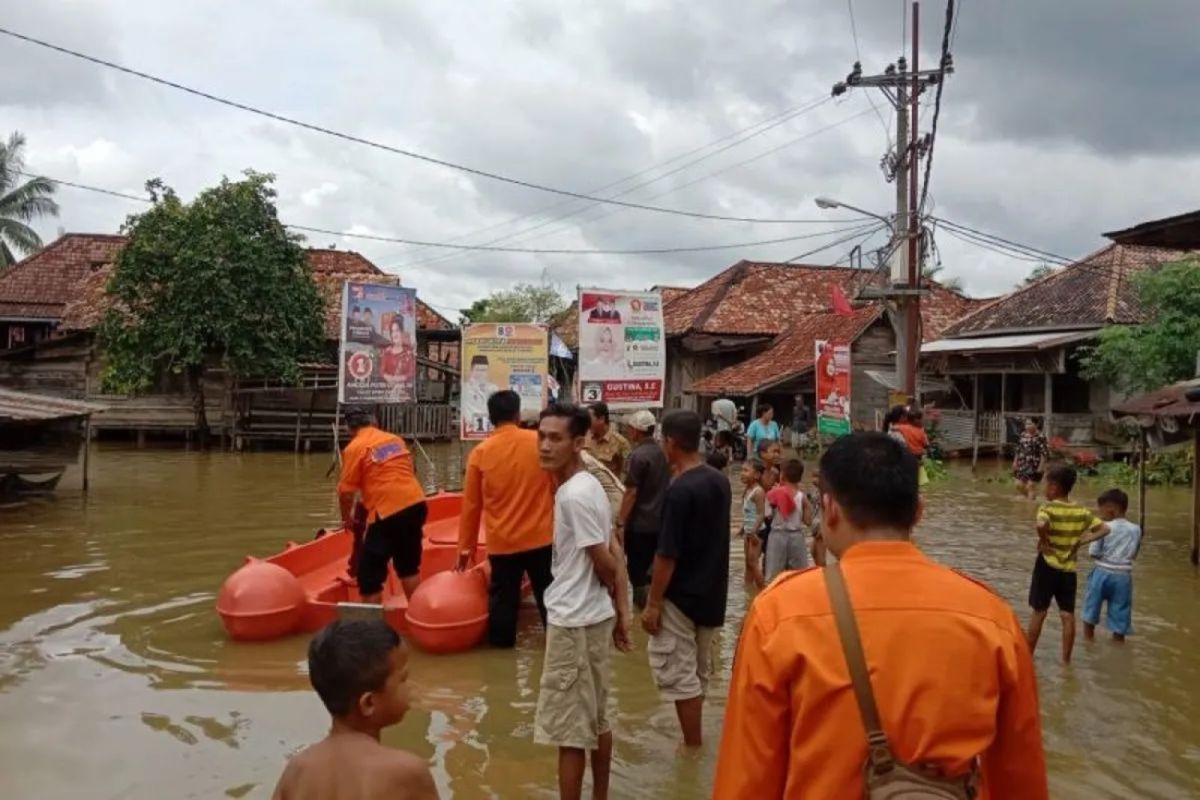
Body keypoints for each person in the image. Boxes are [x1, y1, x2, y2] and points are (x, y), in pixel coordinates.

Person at [713, 432, 1049, 798]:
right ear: (918, 512)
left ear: (831, 509)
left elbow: (747, 777)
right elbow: (1021, 780)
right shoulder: (992, 618)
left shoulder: (779, 613)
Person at [533, 403, 632, 800]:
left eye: (555, 438)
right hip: (591, 617)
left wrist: (617, 596)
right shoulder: (588, 483)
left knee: (571, 733)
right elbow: (614, 549)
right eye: (541, 436)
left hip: (574, 620)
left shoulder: (573, 495)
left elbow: (606, 560)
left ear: (577, 443)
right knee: (597, 720)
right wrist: (621, 610)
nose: (544, 446)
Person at [641, 410, 731, 748]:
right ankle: (694, 741)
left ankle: (691, 746)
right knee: (698, 671)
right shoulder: (719, 480)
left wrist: (653, 603)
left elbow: (667, 553)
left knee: (680, 675)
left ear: (671, 443)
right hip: (711, 592)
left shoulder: (680, 490)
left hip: (680, 594)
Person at [271, 619, 438, 800]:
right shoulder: (407, 772)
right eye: (403, 679)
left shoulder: (297, 771)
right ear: (368, 703)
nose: (412, 687)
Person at [456, 391, 555, 648]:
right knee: (550, 597)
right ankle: (558, 646)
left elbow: (471, 506)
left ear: (490, 418)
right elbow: (557, 488)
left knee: (503, 603)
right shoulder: (540, 443)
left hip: (502, 543)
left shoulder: (480, 453)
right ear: (518, 414)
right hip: (542, 538)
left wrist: (465, 549)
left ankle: (501, 656)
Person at [338, 407, 427, 603]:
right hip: (416, 503)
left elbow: (346, 493)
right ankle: (418, 615)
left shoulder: (355, 447)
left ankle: (372, 630)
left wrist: (347, 519)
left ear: (348, 429)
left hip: (388, 512)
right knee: (409, 567)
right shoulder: (394, 439)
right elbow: (408, 471)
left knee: (368, 577)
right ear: (373, 422)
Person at [1025, 464, 1110, 664]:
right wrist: (1082, 541)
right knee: (1067, 615)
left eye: (1046, 485)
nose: (1044, 489)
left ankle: (1027, 658)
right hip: (1068, 569)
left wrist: (1044, 539)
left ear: (1054, 487)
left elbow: (1040, 524)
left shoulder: (1047, 508)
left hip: (1047, 565)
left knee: (1040, 611)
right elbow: (1105, 529)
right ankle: (1066, 661)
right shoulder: (1081, 510)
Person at [616, 410, 670, 610]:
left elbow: (631, 492)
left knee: (637, 572)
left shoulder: (637, 455)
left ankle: (644, 612)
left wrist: (620, 520)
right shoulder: (663, 453)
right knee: (654, 568)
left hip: (640, 525)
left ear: (636, 431)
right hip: (661, 522)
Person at [1082, 488, 1142, 643]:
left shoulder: (1102, 526)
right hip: (1123, 577)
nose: (1099, 514)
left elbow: (1093, 552)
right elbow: (1134, 554)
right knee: (1120, 615)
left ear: (1111, 509)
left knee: (1090, 611)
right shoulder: (1136, 529)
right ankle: (1118, 646)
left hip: (1102, 573)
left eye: (1101, 510)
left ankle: (1088, 642)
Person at [763, 459, 814, 582]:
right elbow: (808, 521)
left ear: (782, 475)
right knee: (799, 575)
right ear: (800, 478)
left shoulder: (773, 494)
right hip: (796, 536)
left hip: (777, 536)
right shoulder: (802, 497)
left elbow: (767, 515)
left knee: (773, 577)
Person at [585, 402, 631, 477]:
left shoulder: (621, 443)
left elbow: (626, 473)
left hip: (607, 488)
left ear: (601, 419)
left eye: (589, 419)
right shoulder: (585, 439)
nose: (586, 423)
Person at [740, 460, 767, 586]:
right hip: (749, 531)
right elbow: (748, 512)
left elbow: (761, 514)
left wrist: (753, 531)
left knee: (753, 562)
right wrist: (743, 528)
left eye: (746, 470)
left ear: (756, 475)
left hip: (757, 532)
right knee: (748, 562)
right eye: (742, 470)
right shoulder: (747, 489)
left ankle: (762, 590)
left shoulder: (758, 491)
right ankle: (748, 590)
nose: (742, 473)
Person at [461, 355, 500, 436]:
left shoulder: (494, 388)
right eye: (478, 370)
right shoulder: (465, 388)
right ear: (472, 370)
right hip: (470, 430)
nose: (481, 373)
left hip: (490, 431)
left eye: (484, 370)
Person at [1012, 418, 1050, 500]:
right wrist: (1015, 462)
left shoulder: (1041, 436)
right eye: (1026, 424)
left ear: (1036, 425)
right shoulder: (1022, 435)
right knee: (1018, 485)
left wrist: (1041, 467)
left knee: (1030, 486)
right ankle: (1030, 498)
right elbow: (1018, 450)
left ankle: (1030, 507)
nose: (1027, 426)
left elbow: (1044, 453)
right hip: (1022, 463)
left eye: (1030, 424)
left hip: (1035, 465)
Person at [893, 407, 931, 486]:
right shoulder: (921, 432)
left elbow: (893, 428)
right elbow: (927, 445)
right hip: (918, 456)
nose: (923, 421)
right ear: (916, 420)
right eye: (921, 419)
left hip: (908, 456)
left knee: (909, 480)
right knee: (918, 482)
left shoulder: (903, 428)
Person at [379, 317, 415, 388]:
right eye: (392, 331)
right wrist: (390, 379)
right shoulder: (387, 352)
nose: (394, 334)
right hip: (388, 392)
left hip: (404, 393)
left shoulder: (408, 353)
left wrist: (398, 379)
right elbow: (382, 372)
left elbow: (412, 372)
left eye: (397, 330)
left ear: (402, 332)